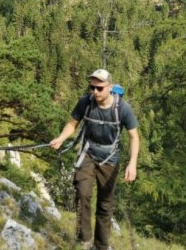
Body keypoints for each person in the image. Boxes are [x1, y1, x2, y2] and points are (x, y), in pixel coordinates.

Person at [50, 69, 139, 250]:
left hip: (110, 159)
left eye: (99, 88)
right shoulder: (85, 103)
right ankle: (84, 240)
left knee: (105, 204)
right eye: (92, 87)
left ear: (110, 87)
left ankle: (101, 245)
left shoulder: (123, 109)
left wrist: (132, 163)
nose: (95, 92)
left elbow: (134, 137)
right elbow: (72, 124)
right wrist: (61, 138)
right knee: (82, 193)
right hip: (88, 154)